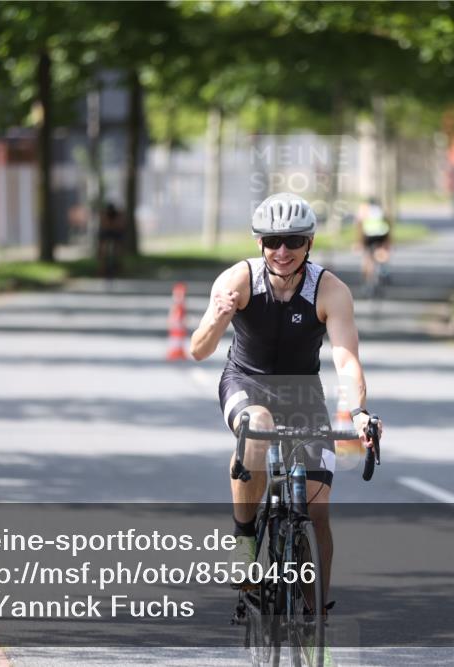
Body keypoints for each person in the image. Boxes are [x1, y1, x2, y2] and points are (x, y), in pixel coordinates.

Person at [190, 192, 383, 611]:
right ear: (259, 243)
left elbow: (346, 360)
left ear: (309, 243)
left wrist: (359, 412)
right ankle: (244, 539)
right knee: (256, 424)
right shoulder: (237, 281)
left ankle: (316, 623)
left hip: (302, 392)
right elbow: (198, 349)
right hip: (246, 382)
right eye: (273, 241)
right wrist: (219, 318)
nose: (282, 251)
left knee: (316, 509)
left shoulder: (330, 290)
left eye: (294, 241)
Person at [355, 197, 392, 288]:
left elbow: (360, 226)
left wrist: (359, 242)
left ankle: (367, 280)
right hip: (382, 233)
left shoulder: (363, 210)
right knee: (382, 251)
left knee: (367, 257)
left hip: (369, 234)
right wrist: (388, 241)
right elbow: (388, 223)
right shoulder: (380, 210)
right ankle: (383, 268)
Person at [97, 201, 125, 278]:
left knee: (118, 247)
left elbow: (120, 226)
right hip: (106, 232)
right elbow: (104, 225)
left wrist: (115, 225)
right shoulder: (104, 215)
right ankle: (102, 267)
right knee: (102, 248)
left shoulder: (118, 215)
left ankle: (118, 263)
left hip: (116, 232)